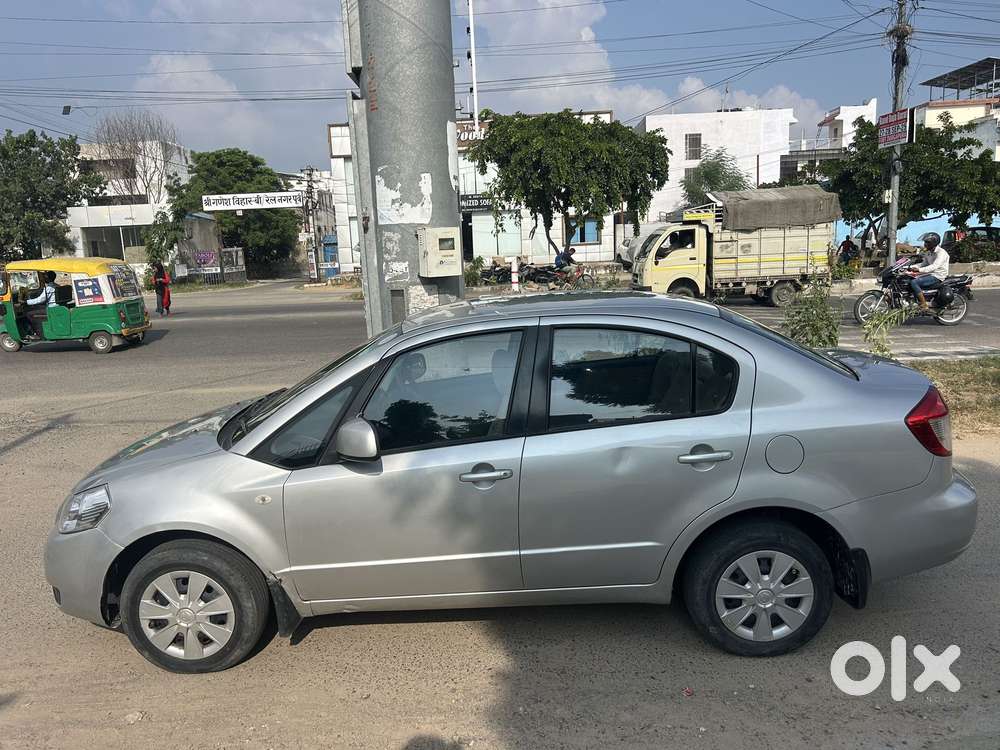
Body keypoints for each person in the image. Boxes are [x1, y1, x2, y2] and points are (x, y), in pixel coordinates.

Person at [907, 232, 949, 310]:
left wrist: (919, 270)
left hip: (937, 276)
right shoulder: (929, 253)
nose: (925, 244)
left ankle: (924, 304)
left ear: (933, 243)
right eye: (925, 242)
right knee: (908, 279)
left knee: (914, 282)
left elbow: (934, 266)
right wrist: (908, 267)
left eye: (927, 242)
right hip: (930, 274)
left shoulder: (941, 253)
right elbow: (923, 264)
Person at [24, 270, 58, 337]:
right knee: (37, 308)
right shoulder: (56, 285)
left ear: (48, 278)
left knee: (29, 314)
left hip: (51, 309)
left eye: (45, 277)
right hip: (56, 307)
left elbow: (40, 299)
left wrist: (26, 302)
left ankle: (37, 332)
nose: (44, 279)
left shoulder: (49, 288)